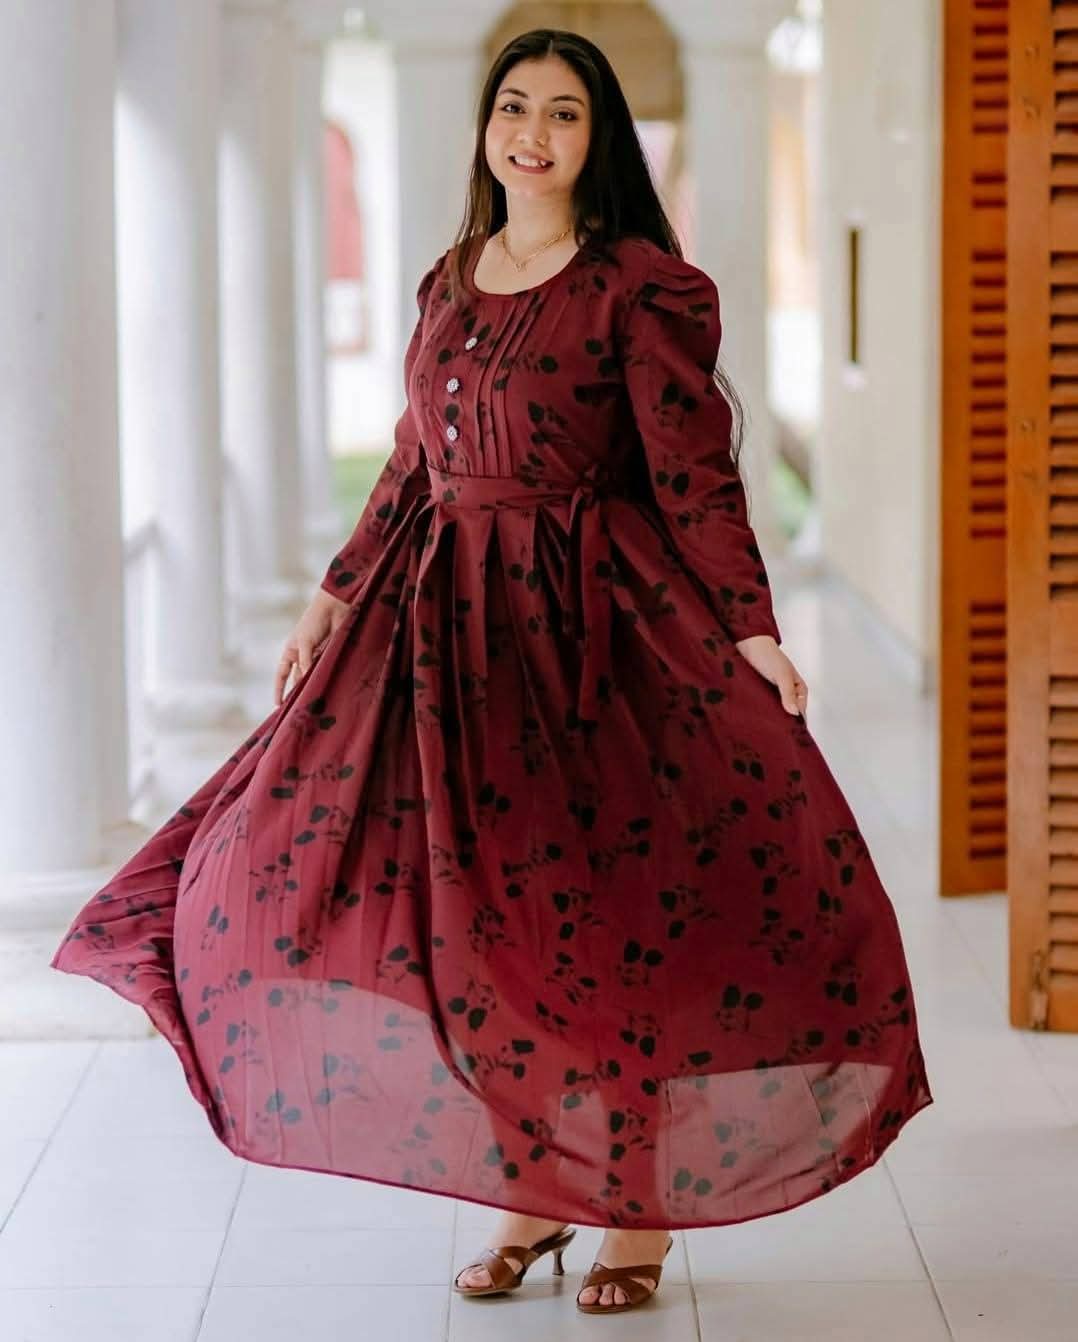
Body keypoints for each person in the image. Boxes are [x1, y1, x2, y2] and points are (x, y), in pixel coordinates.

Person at [52, 26, 933, 1318]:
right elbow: (414, 458)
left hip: (591, 635)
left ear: (598, 138)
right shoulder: (450, 280)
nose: (532, 132)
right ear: (485, 127)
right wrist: (330, 593)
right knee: (485, 931)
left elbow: (693, 474)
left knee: (604, 918)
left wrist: (750, 629)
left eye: (563, 113)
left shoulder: (643, 287)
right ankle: (536, 1187)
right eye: (513, 106)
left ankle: (632, 1210)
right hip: (445, 637)